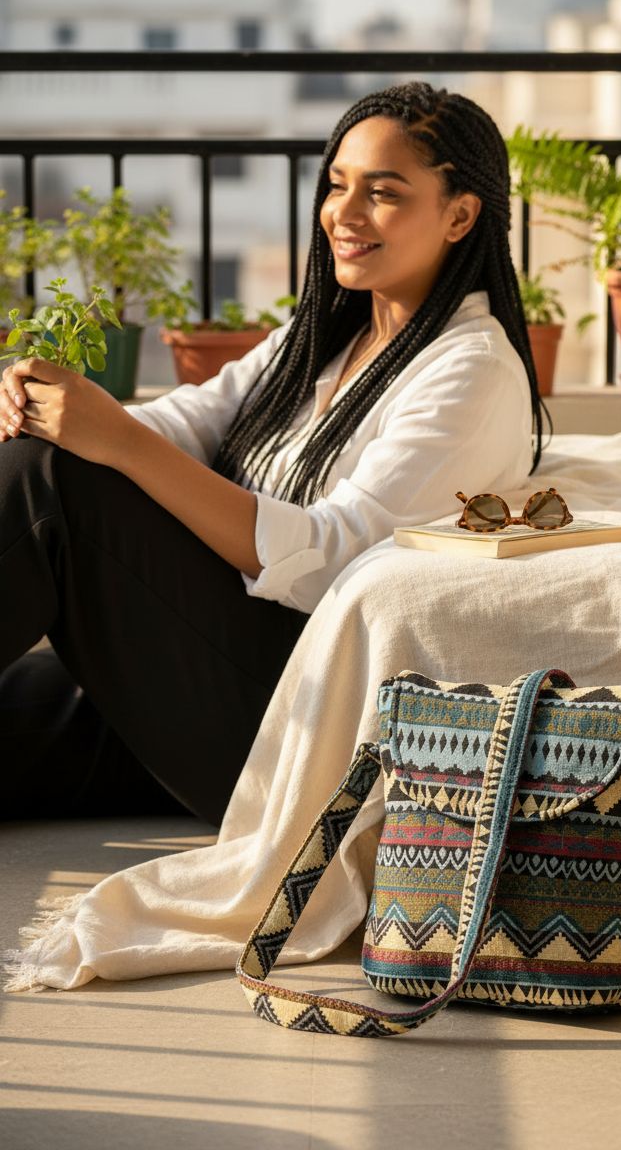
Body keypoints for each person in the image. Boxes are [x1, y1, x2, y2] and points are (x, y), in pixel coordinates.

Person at [0, 80, 551, 828]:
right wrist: (61, 412)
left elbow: (331, 561)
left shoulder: (472, 371)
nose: (344, 215)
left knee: (49, 482)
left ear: (459, 215)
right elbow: (186, 422)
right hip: (187, 665)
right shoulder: (323, 340)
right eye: (337, 185)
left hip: (292, 719)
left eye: (383, 193)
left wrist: (111, 441)